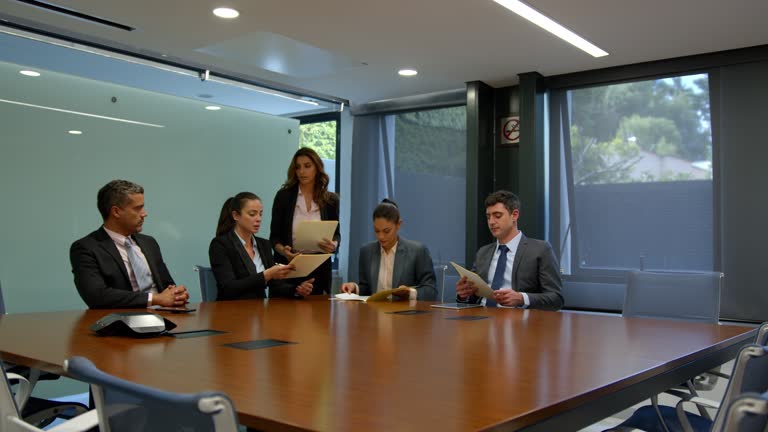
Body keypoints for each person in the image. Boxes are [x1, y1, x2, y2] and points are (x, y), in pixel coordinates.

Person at [70, 179, 189, 309]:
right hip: (121, 321)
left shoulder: (149, 242)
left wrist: (177, 294)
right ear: (116, 212)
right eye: (138, 208)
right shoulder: (86, 248)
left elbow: (167, 285)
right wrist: (154, 299)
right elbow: (96, 295)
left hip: (164, 317)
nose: (144, 214)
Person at [456, 190, 563, 310]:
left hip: (519, 321)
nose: (491, 222)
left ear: (515, 215)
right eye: (488, 217)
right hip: (481, 318)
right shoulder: (483, 252)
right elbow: (473, 298)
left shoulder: (540, 250)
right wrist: (463, 295)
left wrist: (522, 298)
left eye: (497, 216)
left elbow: (556, 299)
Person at [209, 192, 314, 300]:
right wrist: (266, 275)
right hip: (231, 311)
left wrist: (296, 290)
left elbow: (275, 285)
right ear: (236, 215)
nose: (258, 219)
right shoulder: (220, 244)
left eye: (260, 214)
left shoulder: (263, 244)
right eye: (252, 214)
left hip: (259, 310)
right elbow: (228, 288)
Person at [271, 147, 340, 295]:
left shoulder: (330, 200)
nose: (302, 171)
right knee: (285, 316)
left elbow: (336, 235)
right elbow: (274, 237)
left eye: (307, 166)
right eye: (298, 167)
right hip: (290, 266)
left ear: (317, 168)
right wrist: (284, 251)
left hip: (320, 268)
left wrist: (333, 245)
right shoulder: (283, 197)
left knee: (319, 316)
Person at [341, 199, 437, 300]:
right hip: (373, 313)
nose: (381, 237)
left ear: (398, 224)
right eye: (377, 231)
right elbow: (367, 288)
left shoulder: (417, 251)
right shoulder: (366, 251)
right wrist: (355, 288)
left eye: (386, 231)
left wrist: (410, 293)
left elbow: (431, 290)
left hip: (404, 313)